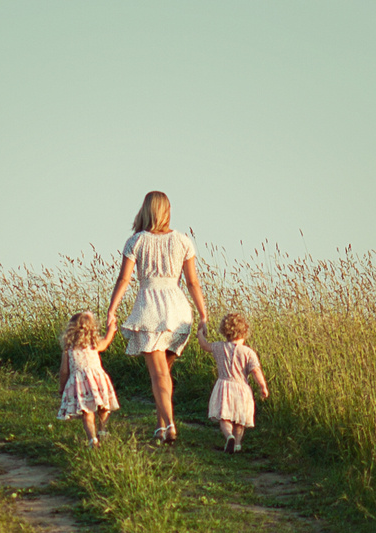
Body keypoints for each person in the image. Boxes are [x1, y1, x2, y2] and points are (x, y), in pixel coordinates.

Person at [102, 190, 208, 445]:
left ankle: (169, 424)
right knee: (165, 373)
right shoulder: (183, 241)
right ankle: (161, 426)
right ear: (167, 211)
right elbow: (192, 283)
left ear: (145, 210)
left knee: (158, 374)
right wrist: (203, 314)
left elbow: (124, 279)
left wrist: (112, 309)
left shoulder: (136, 241)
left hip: (150, 309)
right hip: (178, 310)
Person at [198, 313, 269, 453]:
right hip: (242, 389)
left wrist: (200, 334)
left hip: (224, 386)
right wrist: (263, 386)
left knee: (224, 417)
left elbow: (205, 345)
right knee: (239, 420)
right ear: (245, 332)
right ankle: (237, 444)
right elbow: (256, 371)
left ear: (225, 331)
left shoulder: (219, 346)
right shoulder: (248, 352)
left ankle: (228, 436)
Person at [57, 311, 120, 444]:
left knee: (87, 411)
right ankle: (102, 430)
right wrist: (111, 329)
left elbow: (64, 371)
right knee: (103, 407)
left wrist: (62, 387)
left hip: (80, 384)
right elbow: (106, 341)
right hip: (98, 380)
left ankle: (92, 439)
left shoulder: (69, 349)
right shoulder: (94, 344)